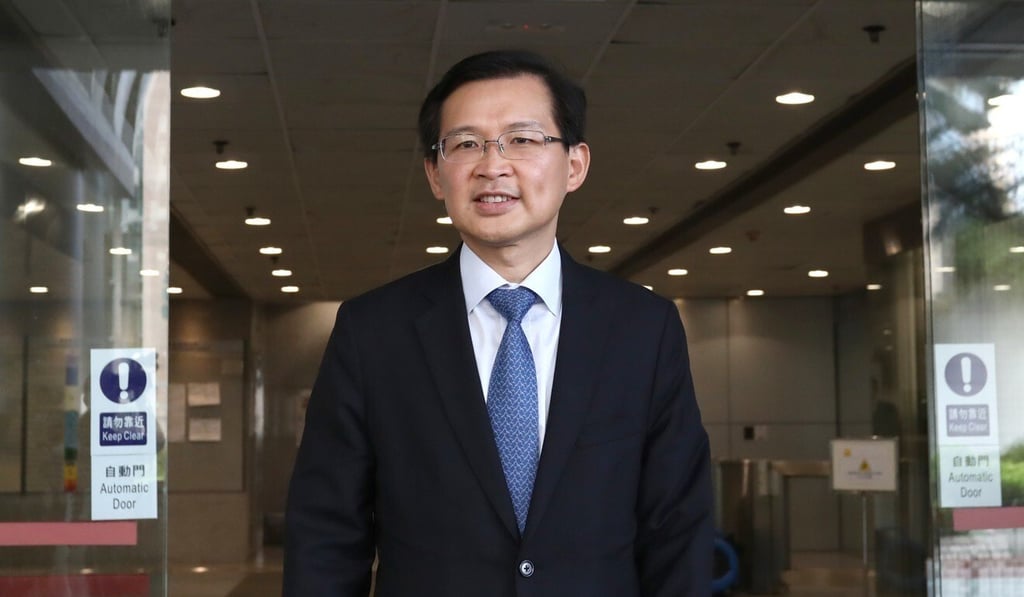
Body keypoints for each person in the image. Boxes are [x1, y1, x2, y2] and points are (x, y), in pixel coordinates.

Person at [283, 49, 713, 596]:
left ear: (575, 165)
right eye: (466, 144)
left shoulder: (644, 329)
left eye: (523, 139)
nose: (493, 165)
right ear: (435, 174)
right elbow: (325, 534)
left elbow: (677, 527)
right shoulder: (372, 331)